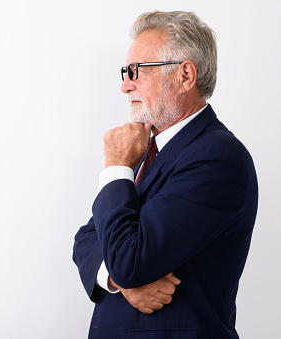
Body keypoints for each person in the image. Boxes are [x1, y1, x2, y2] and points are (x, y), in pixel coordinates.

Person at [72, 11, 258, 339]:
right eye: (125, 72)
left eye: (136, 71)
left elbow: (129, 260)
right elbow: (87, 238)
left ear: (185, 75)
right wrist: (117, 281)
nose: (124, 85)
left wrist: (116, 166)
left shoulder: (218, 158)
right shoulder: (145, 150)